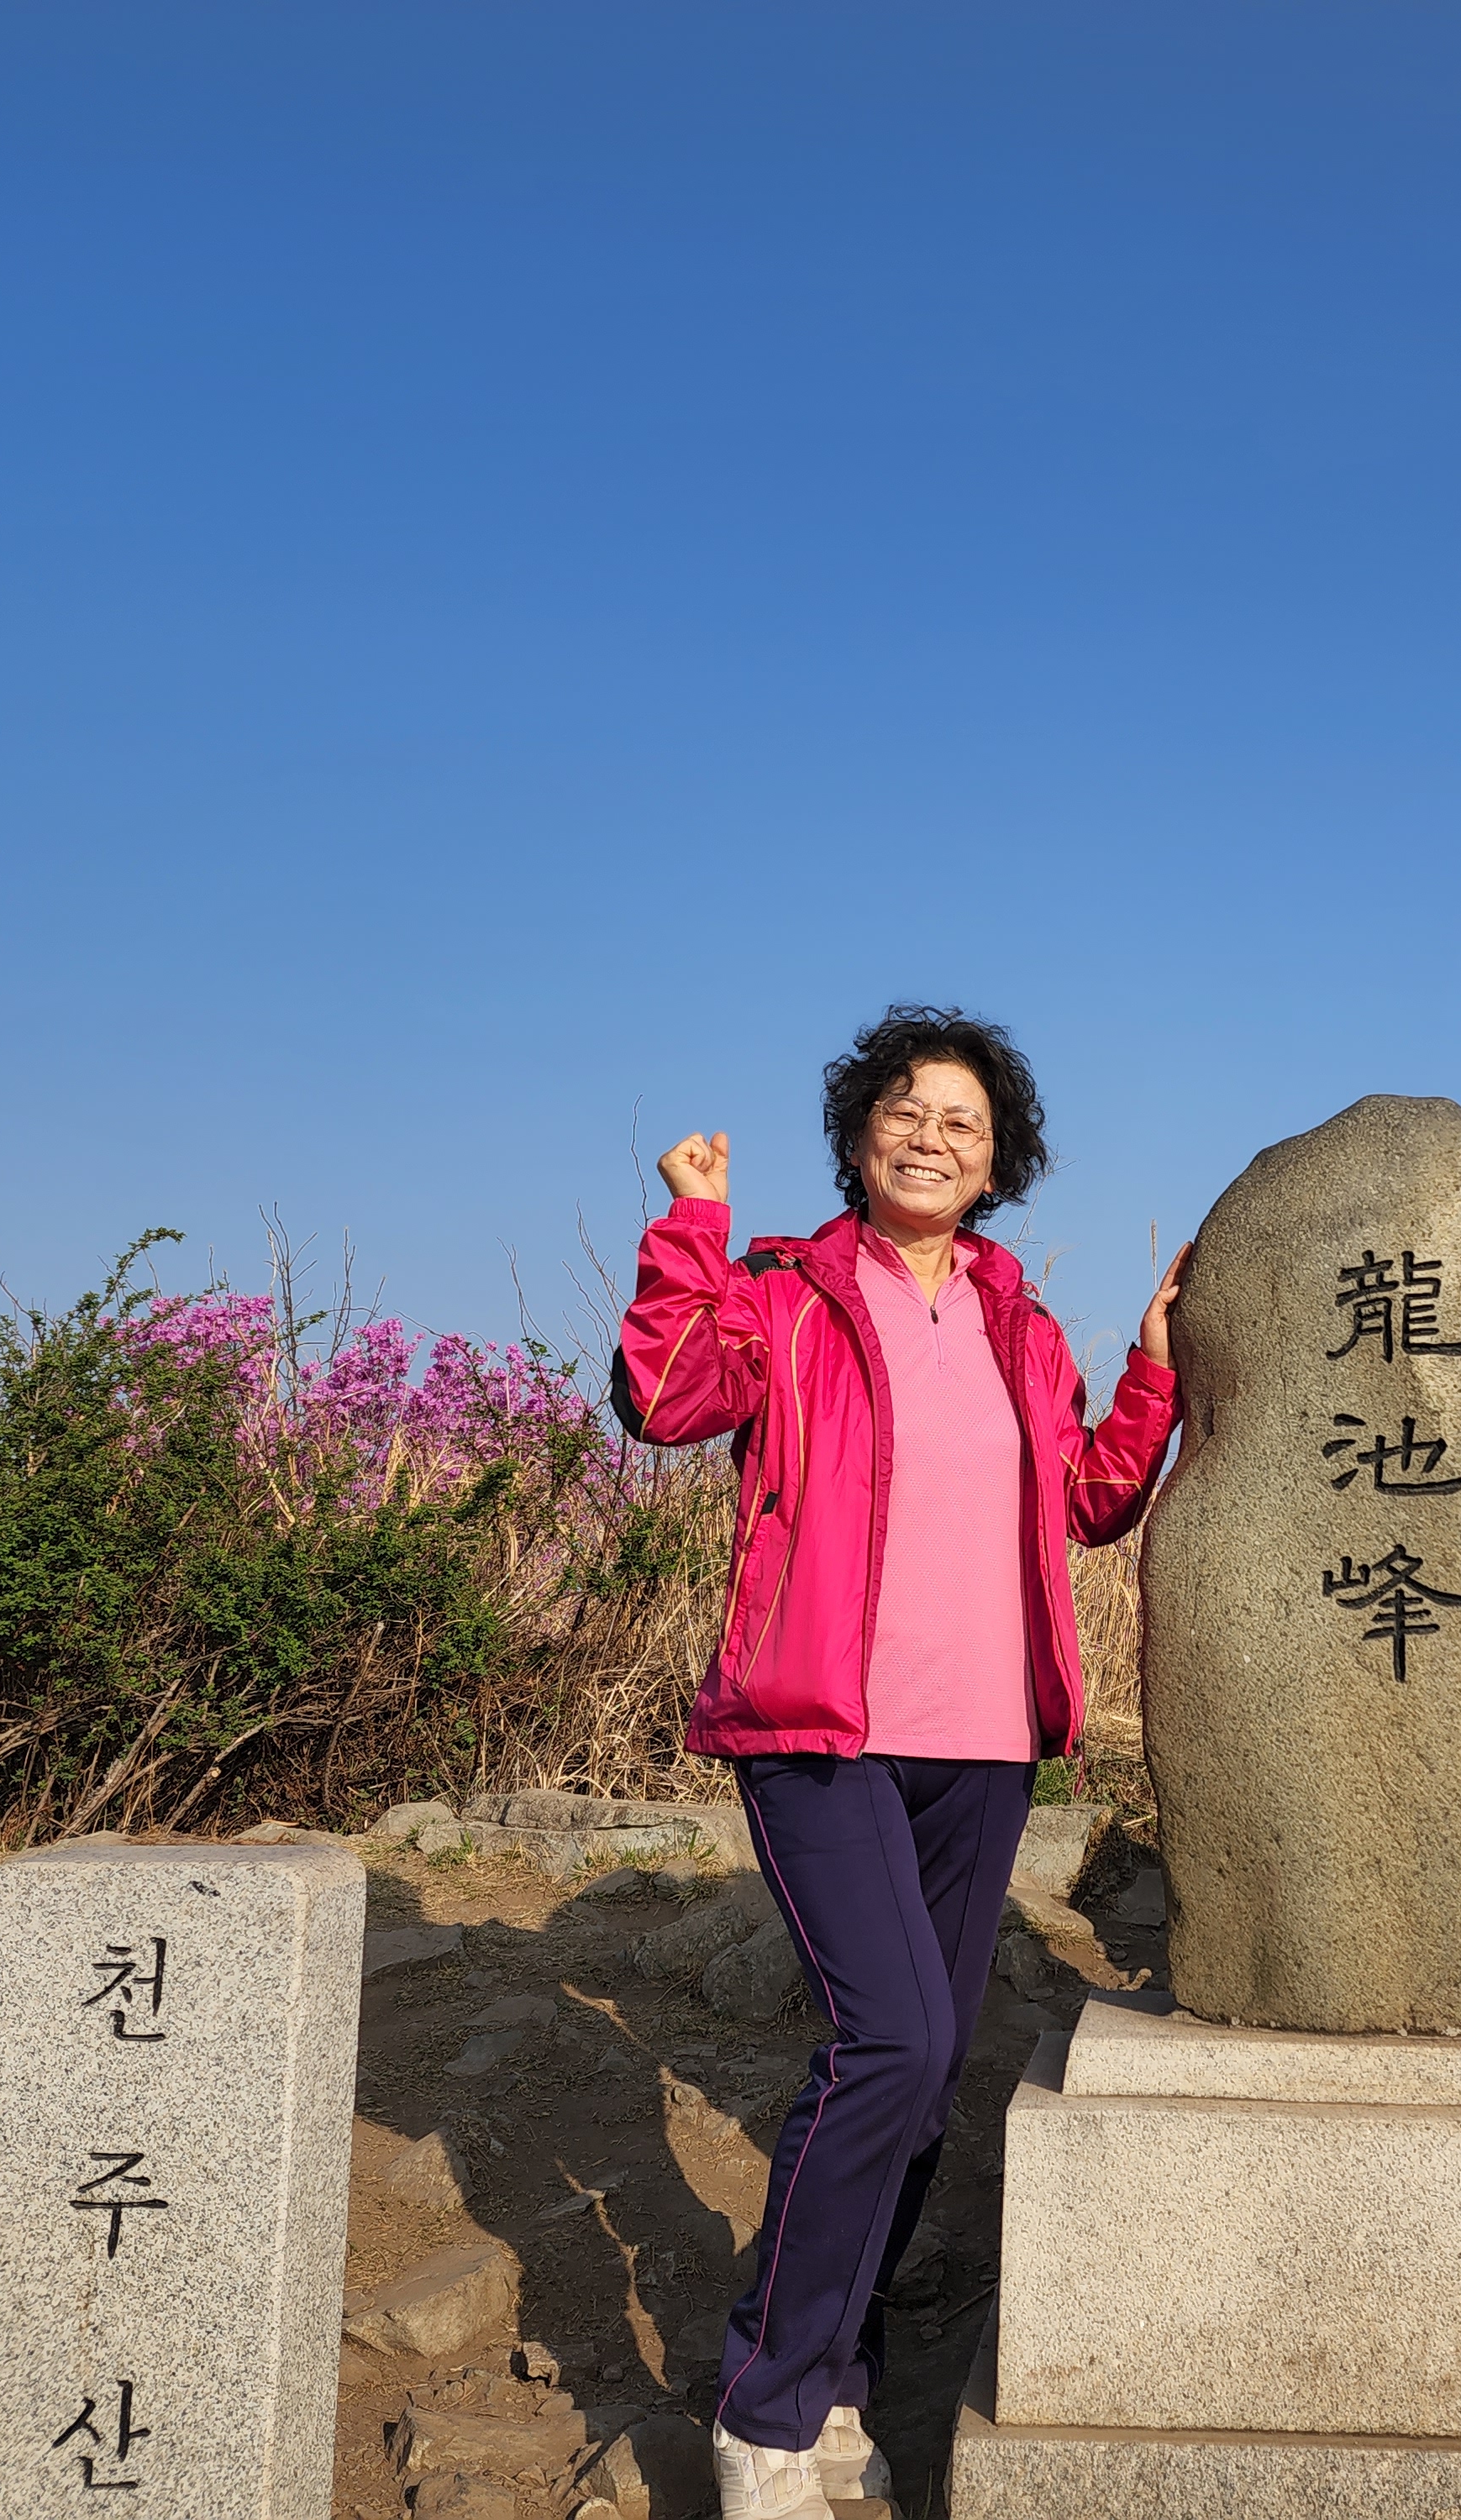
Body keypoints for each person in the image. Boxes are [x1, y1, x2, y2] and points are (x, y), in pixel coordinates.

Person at [612, 1004, 1186, 2520]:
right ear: (859, 1136)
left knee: (921, 2084)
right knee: (896, 2045)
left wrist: (1153, 1371)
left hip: (985, 1743)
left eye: (964, 1125)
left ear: (999, 1165)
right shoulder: (785, 1293)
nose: (933, 1138)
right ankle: (765, 2403)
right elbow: (667, 1399)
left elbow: (1091, 1498)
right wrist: (692, 1226)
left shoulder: (1021, 1327)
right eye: (907, 1113)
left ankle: (842, 2369)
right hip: (825, 1731)